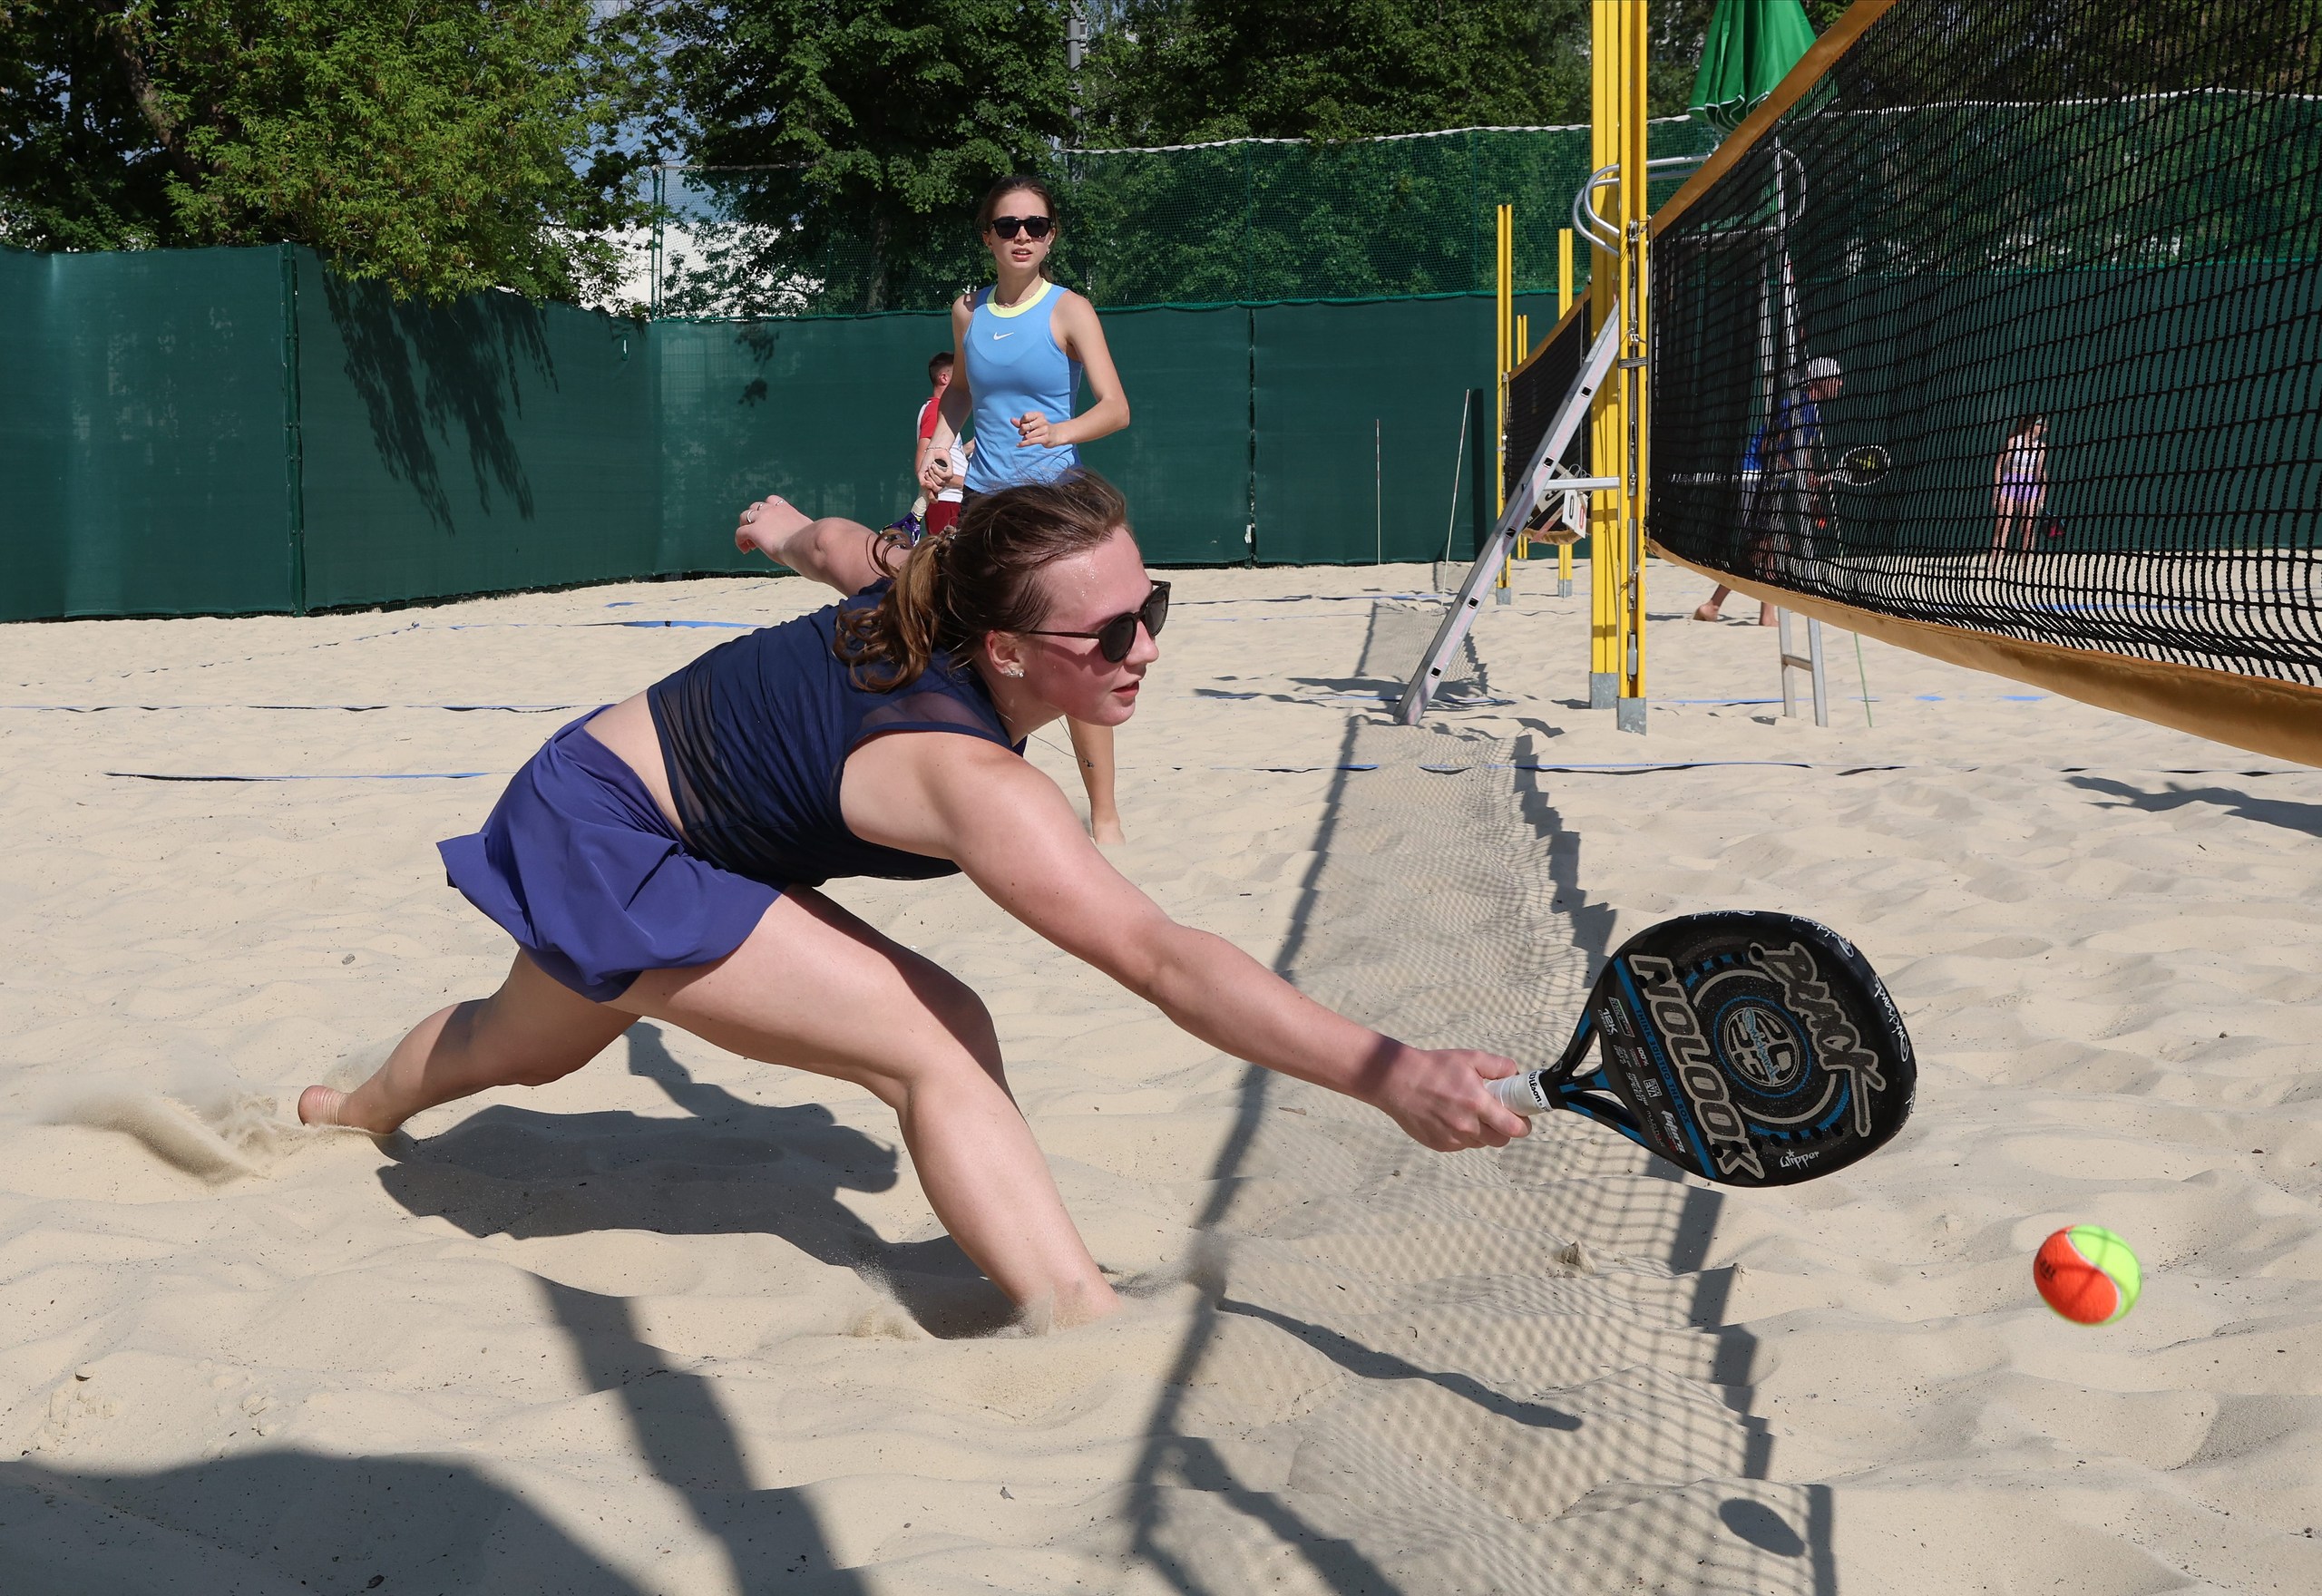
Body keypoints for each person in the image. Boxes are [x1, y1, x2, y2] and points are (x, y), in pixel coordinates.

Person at [298, 474, 1530, 1329]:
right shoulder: (971, 780)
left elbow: (844, 551)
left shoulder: (945, 577)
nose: (1146, 648)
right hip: (614, 831)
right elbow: (1160, 959)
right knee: (936, 1039)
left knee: (522, 1046)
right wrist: (1389, 1074)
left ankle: (345, 1108)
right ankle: (1079, 1317)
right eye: (1108, 635)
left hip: (622, 797)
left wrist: (790, 530)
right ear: (1006, 649)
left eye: (1150, 607)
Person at [922, 174, 1133, 845]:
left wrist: (1058, 431)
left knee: (1076, 655)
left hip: (1053, 506)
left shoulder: (1070, 309)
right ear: (987, 235)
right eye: (1008, 225)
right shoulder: (969, 311)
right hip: (983, 502)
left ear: (1051, 236)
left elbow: (1115, 409)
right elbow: (960, 393)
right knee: (976, 648)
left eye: (1035, 226)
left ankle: (1104, 816)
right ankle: (989, 798)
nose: (1022, 236)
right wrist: (937, 447)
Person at [1694, 355, 1843, 624]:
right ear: (1820, 381)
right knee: (1768, 547)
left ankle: (1716, 607)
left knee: (1759, 550)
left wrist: (1809, 482)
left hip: (1771, 482)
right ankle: (1756, 614)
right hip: (1756, 479)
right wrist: (1796, 471)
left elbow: (1804, 453)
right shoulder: (1794, 406)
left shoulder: (1812, 412)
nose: (1840, 383)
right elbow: (1769, 447)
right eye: (1835, 378)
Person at [1990, 414, 2048, 563]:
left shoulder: (2041, 447)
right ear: (2032, 425)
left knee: (2028, 528)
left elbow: (2040, 472)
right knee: (2003, 526)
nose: (2045, 429)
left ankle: (2025, 566)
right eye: (2042, 425)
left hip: (2030, 486)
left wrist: (2043, 490)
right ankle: (1994, 565)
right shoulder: (2013, 442)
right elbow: (1999, 466)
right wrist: (1997, 491)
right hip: (2009, 484)